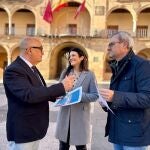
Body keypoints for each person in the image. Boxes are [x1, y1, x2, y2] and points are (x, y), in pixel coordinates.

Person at [3, 37, 75, 150]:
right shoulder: (14, 70)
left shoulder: (32, 68)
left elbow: (39, 91)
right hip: (23, 130)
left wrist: (57, 95)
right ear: (29, 50)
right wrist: (61, 87)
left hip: (33, 129)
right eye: (40, 48)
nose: (43, 52)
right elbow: (28, 95)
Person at [100, 31, 150, 150]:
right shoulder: (117, 66)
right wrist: (106, 103)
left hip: (134, 135)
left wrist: (115, 96)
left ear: (125, 44)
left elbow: (147, 98)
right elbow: (117, 99)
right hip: (118, 131)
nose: (108, 48)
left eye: (112, 44)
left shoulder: (142, 65)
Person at [55, 47, 99, 150]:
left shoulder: (89, 75)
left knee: (81, 147)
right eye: (69, 56)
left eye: (73, 55)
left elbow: (95, 95)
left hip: (80, 117)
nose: (70, 58)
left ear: (82, 58)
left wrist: (78, 95)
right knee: (63, 146)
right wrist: (61, 92)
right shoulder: (65, 72)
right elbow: (58, 91)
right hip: (65, 115)